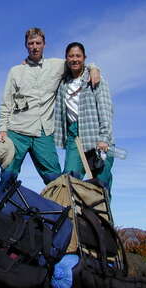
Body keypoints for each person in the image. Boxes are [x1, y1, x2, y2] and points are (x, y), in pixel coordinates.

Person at [0, 28, 100, 194]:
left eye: (38, 43)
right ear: (26, 46)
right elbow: (6, 103)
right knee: (7, 175)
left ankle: (63, 213)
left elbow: (77, 63)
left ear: (44, 45)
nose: (35, 46)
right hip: (17, 131)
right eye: (31, 43)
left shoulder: (56, 65)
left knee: (55, 180)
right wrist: (2, 128)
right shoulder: (16, 71)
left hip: (43, 132)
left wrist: (94, 68)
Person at [54, 42, 115, 194]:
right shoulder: (63, 83)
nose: (75, 59)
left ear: (84, 58)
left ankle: (103, 218)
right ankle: (75, 217)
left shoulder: (95, 79)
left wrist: (104, 138)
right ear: (66, 59)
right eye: (71, 56)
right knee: (69, 180)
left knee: (101, 184)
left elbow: (106, 109)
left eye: (78, 56)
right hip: (74, 137)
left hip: (96, 135)